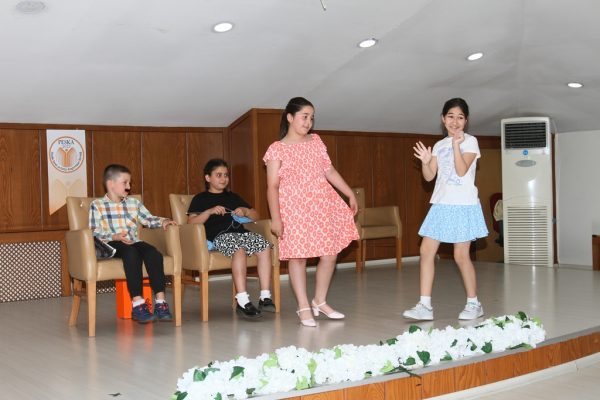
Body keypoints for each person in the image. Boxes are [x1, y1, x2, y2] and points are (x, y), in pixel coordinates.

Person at [264, 97, 359, 327]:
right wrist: (276, 218)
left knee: (329, 254)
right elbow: (272, 186)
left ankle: (320, 300)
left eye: (312, 118)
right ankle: (304, 306)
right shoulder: (277, 149)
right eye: (304, 116)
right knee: (298, 258)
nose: (308, 122)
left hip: (321, 205)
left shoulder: (316, 141)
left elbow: (329, 171)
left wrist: (349, 193)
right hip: (293, 209)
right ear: (290, 117)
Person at [403, 98, 488, 321]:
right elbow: (429, 176)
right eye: (450, 116)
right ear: (443, 119)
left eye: (460, 117)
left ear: (466, 121)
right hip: (441, 204)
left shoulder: (471, 142)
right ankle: (424, 306)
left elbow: (461, 171)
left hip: (463, 205)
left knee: (461, 255)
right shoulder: (440, 145)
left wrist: (456, 146)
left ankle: (474, 304)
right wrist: (425, 161)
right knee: (426, 251)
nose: (455, 121)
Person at [187, 159, 274, 319]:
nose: (223, 179)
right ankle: (242, 300)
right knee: (238, 249)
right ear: (208, 178)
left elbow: (256, 216)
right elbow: (191, 223)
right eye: (218, 175)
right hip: (219, 236)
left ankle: (265, 296)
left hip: (241, 233)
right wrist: (209, 212)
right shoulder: (200, 198)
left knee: (265, 247)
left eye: (226, 175)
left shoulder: (233, 197)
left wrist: (245, 211)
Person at [89, 164, 177, 324]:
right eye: (125, 183)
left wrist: (163, 221)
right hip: (111, 243)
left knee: (153, 253)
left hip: (132, 241)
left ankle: (160, 302)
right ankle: (137, 304)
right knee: (131, 253)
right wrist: (114, 236)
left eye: (130, 183)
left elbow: (148, 219)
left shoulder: (133, 203)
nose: (129, 187)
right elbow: (94, 232)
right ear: (111, 184)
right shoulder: (97, 205)